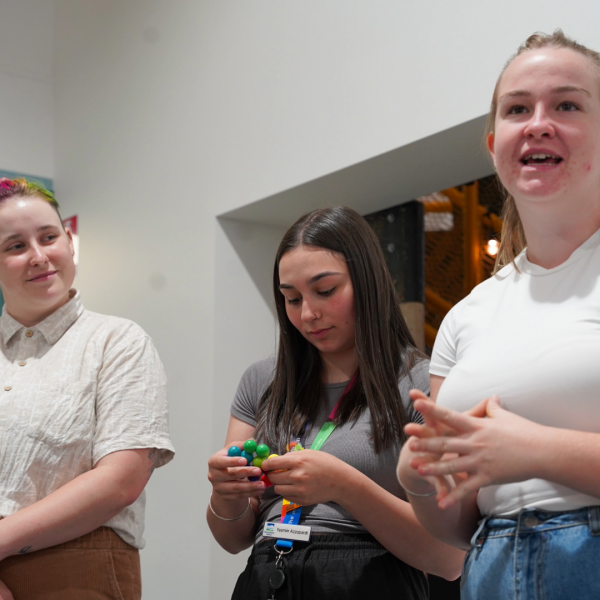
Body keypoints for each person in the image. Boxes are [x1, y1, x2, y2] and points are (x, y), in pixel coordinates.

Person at [396, 30, 600, 600]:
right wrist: (418, 479)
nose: (538, 122)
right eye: (517, 109)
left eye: (567, 104)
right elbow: (455, 530)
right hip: (492, 566)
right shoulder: (467, 315)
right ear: (494, 144)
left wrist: (534, 449)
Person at [207, 206, 463, 600]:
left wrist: (343, 485)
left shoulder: (421, 384)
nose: (308, 314)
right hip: (267, 576)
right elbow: (232, 538)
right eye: (291, 299)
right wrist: (226, 494)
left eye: (325, 291)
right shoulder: (262, 381)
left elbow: (447, 559)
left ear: (369, 282)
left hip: (371, 580)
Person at [0, 178, 174, 599]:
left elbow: (120, 481)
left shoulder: (117, 341)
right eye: (15, 246)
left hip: (79, 571)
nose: (39, 257)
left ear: (69, 242)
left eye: (49, 237)